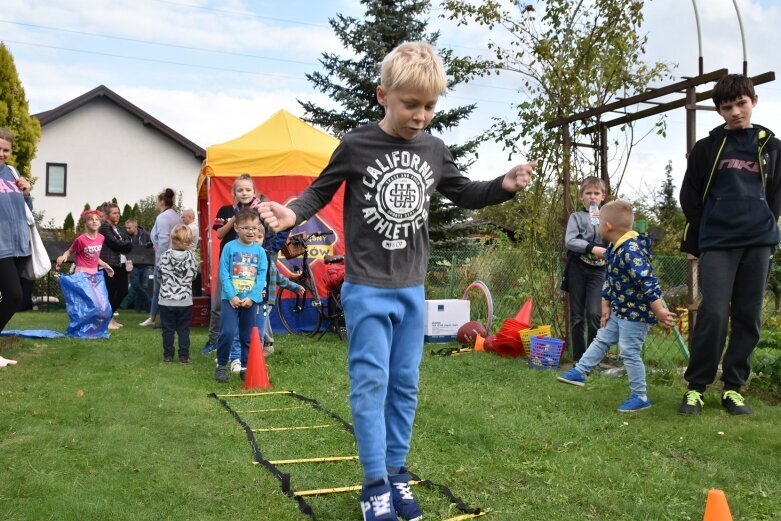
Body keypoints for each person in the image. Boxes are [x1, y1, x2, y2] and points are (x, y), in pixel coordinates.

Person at [259, 41, 534, 521]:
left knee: (405, 383)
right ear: (383, 95)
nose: (421, 115)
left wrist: (502, 186)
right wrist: (291, 213)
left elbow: (464, 192)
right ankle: (373, 486)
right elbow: (318, 194)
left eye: (429, 106)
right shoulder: (356, 144)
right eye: (411, 104)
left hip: (412, 287)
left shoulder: (433, 149)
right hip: (366, 286)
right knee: (371, 384)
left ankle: (397, 472)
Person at [678, 74, 781, 416]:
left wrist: (766, 221)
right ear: (719, 110)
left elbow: (777, 194)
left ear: (754, 101)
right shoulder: (707, 149)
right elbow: (689, 195)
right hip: (718, 242)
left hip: (758, 242)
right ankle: (696, 387)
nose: (736, 112)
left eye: (741, 103)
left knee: (748, 316)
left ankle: (733, 389)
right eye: (727, 107)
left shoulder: (771, 146)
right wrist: (705, 230)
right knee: (714, 313)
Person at [557, 200, 676, 412]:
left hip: (636, 314)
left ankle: (640, 396)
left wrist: (658, 310)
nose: (597, 226)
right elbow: (611, 279)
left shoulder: (631, 250)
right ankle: (580, 371)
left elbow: (647, 281)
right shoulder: (614, 248)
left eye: (599, 222)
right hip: (620, 310)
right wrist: (605, 305)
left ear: (608, 226)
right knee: (602, 338)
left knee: (630, 352)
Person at [213, 208, 268, 383]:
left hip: (250, 301)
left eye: (254, 228)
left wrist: (252, 297)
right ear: (236, 228)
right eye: (246, 228)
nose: (251, 232)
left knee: (247, 336)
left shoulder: (260, 252)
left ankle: (245, 366)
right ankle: (221, 366)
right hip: (231, 300)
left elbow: (261, 276)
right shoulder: (229, 247)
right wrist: (231, 296)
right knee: (228, 332)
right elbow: (224, 273)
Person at [562, 176, 608, 362]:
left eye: (596, 193)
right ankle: (578, 359)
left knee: (594, 313)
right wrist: (591, 247)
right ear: (581, 197)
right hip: (577, 269)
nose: (592, 197)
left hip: (599, 271)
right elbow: (570, 241)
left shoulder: (607, 218)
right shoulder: (576, 217)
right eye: (588, 193)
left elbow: (615, 239)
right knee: (577, 316)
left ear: (603, 196)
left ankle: (593, 358)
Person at [0, 127, 32, 367]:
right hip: (1, 245)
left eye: (6, 150)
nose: (2, 154)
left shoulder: (12, 172)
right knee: (13, 295)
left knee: (12, 297)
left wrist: (27, 192)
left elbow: (26, 208)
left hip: (19, 243)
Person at [140, 188, 182, 327]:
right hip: (177, 258)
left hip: (165, 260)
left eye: (157, 201)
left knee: (161, 291)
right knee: (169, 290)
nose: (155, 204)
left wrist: (161, 260)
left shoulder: (163, 217)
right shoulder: (176, 216)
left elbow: (164, 240)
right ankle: (155, 318)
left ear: (162, 202)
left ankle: (161, 319)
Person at [158, 224, 198, 364]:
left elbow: (159, 274)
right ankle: (184, 356)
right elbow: (193, 276)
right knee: (183, 329)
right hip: (184, 300)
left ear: (173, 239)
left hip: (166, 300)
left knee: (167, 330)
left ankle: (168, 355)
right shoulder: (191, 257)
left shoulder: (165, 256)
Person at [98, 203, 133, 329]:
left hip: (122, 264)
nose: (117, 215)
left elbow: (129, 243)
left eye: (118, 213)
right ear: (108, 215)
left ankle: (109, 317)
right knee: (111, 292)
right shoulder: (104, 228)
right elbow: (114, 243)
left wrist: (124, 244)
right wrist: (124, 244)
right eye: (114, 213)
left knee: (124, 291)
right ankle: (107, 320)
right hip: (110, 264)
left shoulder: (120, 229)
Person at [56, 210, 115, 276]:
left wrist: (105, 265)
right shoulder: (80, 240)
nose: (94, 221)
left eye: (97, 219)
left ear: (100, 223)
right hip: (81, 272)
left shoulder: (101, 238)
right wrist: (63, 257)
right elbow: (69, 251)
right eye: (91, 219)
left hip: (94, 271)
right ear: (85, 222)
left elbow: (94, 257)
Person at [125, 219, 154, 313]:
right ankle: (149, 303)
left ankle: (138, 308)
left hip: (145, 264)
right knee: (135, 284)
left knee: (144, 286)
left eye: (129, 228)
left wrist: (148, 246)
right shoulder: (126, 236)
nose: (127, 229)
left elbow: (153, 243)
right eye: (126, 228)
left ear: (135, 227)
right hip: (133, 265)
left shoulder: (146, 234)